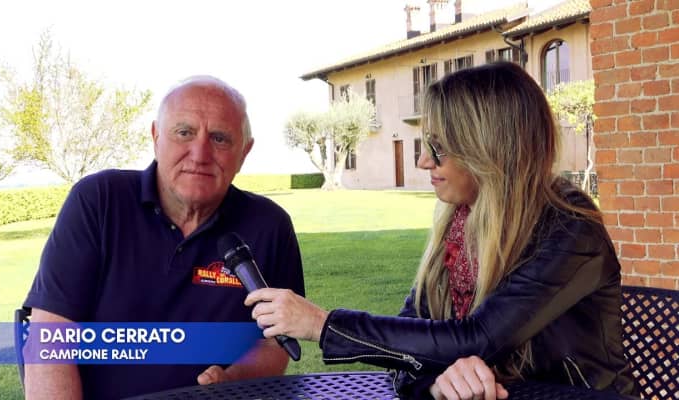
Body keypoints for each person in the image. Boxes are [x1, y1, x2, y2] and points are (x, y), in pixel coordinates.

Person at [244, 62, 637, 399]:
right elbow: (406, 348)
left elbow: (479, 337)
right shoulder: (459, 225)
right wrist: (436, 382)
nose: (422, 161)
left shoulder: (569, 226)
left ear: (488, 149)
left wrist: (322, 324)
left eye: (438, 147)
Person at [22, 76, 305, 399]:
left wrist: (234, 381)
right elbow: (50, 336)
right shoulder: (99, 201)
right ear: (156, 137)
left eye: (220, 138)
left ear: (244, 151)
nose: (200, 154)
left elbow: (274, 343)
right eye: (184, 133)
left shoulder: (270, 226)